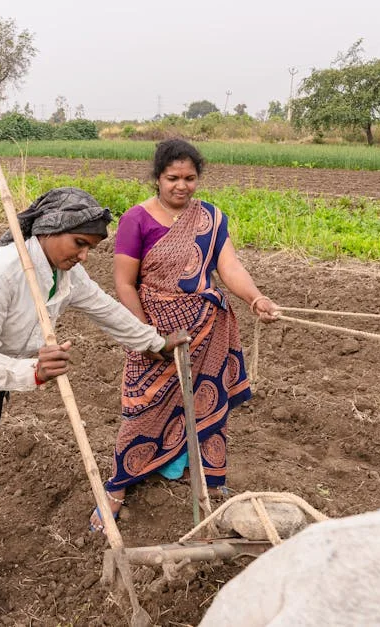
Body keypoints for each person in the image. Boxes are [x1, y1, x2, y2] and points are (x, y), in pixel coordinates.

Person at [0, 187, 189, 627]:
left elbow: (104, 308)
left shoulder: (63, 273)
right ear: (50, 231)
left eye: (91, 248)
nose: (85, 256)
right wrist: (34, 372)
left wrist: (155, 342)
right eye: (80, 244)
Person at [90, 139, 279, 531]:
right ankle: (117, 490)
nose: (182, 185)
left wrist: (255, 298)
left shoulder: (210, 218)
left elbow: (229, 268)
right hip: (155, 330)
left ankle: (207, 483)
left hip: (206, 329)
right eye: (172, 177)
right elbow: (125, 284)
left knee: (208, 405)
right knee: (142, 408)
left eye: (190, 178)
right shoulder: (136, 220)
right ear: (157, 178)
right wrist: (147, 335)